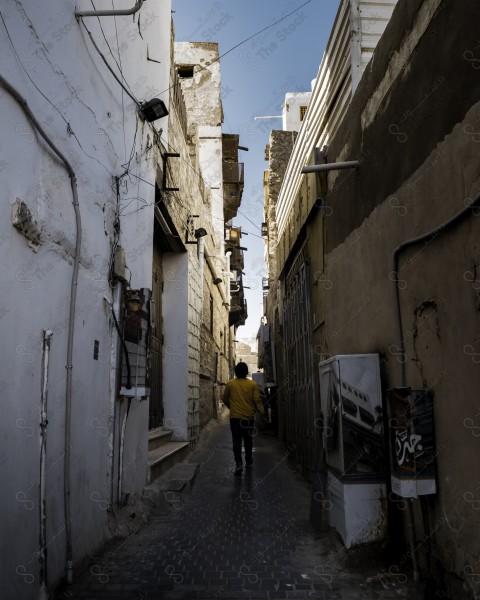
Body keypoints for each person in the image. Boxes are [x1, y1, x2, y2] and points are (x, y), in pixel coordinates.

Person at [223, 362, 265, 475]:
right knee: (248, 440)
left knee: (236, 441)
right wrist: (262, 412)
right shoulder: (252, 385)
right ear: (246, 372)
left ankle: (238, 463)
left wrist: (230, 406)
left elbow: (225, 398)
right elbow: (257, 400)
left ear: (236, 371)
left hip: (235, 418)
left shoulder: (230, 384)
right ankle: (248, 460)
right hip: (248, 418)